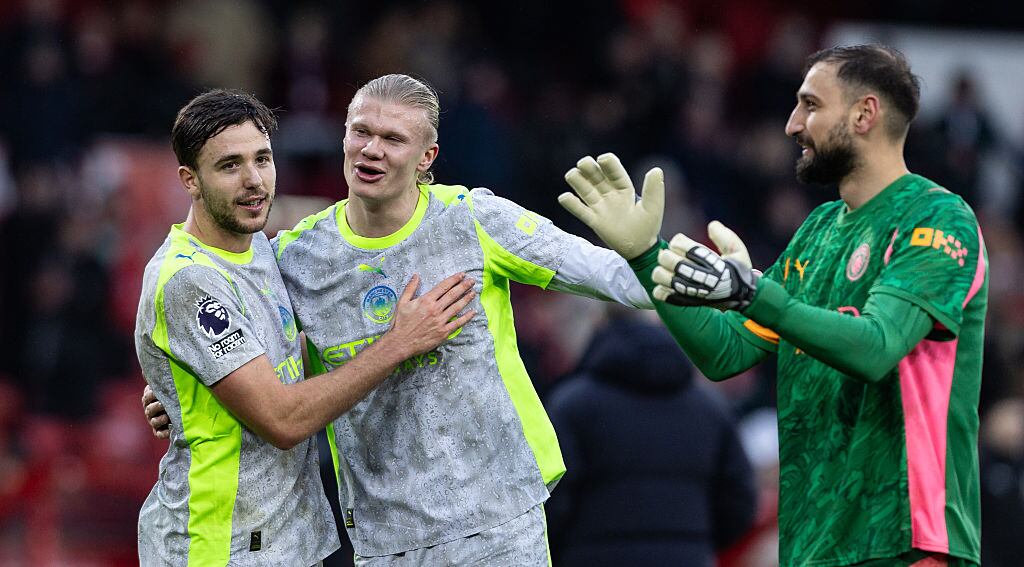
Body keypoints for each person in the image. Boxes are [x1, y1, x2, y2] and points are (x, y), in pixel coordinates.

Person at [147, 74, 653, 565]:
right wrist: (177, 391)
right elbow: (234, 349)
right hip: (382, 538)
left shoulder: (471, 220)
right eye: (361, 132)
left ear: (426, 157)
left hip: (498, 522)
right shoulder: (296, 257)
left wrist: (674, 266)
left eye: (393, 138)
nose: (372, 149)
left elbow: (615, 278)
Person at [559, 45, 987, 566]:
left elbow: (878, 347)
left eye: (810, 105)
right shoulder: (817, 233)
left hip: (904, 538)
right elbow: (725, 352)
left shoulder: (939, 218)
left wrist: (755, 295)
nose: (792, 125)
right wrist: (646, 259)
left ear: (864, 114)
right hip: (813, 541)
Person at [135, 89, 476, 566]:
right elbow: (283, 420)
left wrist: (176, 393)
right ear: (190, 181)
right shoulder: (188, 280)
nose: (254, 181)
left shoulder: (256, 248)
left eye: (262, 159)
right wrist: (398, 343)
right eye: (229, 165)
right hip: (220, 547)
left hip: (289, 541)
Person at [545, 308, 757, 566]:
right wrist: (695, 542)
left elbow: (552, 498)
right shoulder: (710, 407)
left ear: (598, 325)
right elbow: (739, 501)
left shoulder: (571, 404)